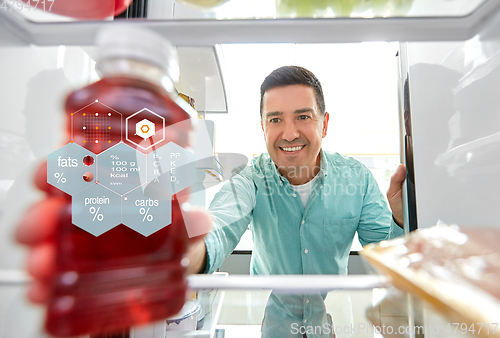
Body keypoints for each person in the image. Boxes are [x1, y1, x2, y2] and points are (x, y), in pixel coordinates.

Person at [16, 66, 406, 335]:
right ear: (262, 127)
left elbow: (386, 253)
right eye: (275, 119)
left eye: (302, 116)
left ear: (324, 122)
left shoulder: (355, 178)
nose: (289, 133)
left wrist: (403, 222)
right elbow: (217, 232)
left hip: (331, 320)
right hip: (270, 323)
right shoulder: (251, 177)